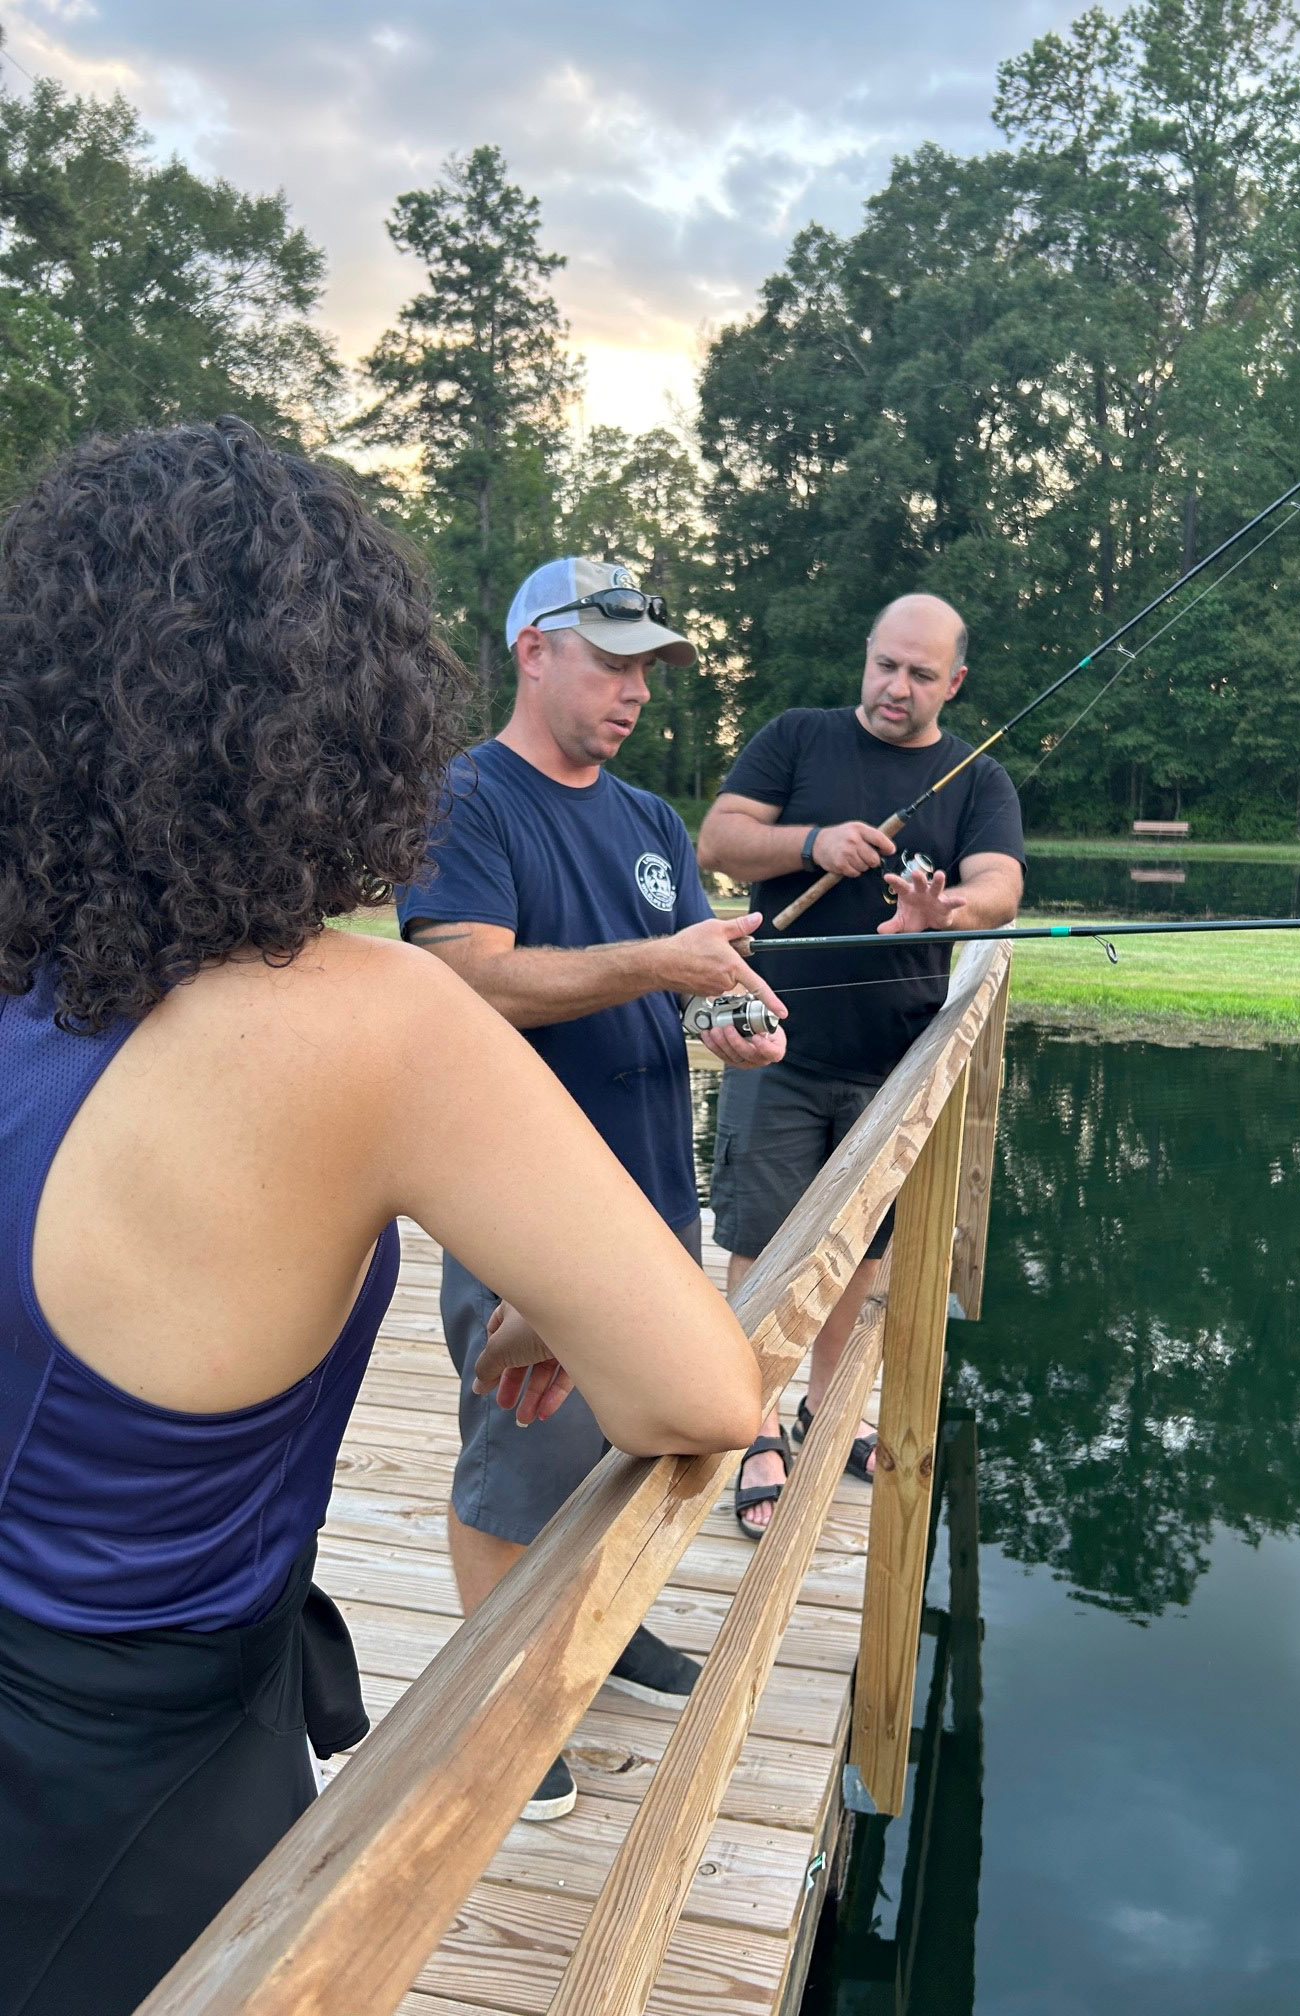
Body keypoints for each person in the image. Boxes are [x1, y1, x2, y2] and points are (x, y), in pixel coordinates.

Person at [0, 420, 763, 2016]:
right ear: (340, 711)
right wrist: (578, 1287)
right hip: (143, 1786)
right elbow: (700, 1392)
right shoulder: (375, 1021)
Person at [395, 555, 786, 1818]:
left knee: (633, 1442)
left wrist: (728, 1014)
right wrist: (658, 966)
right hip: (526, 1209)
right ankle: (499, 1706)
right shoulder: (466, 801)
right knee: (514, 1463)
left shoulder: (655, 822)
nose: (633, 693)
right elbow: (469, 981)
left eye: (646, 671)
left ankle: (602, 1634)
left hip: (658, 1192)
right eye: (610, 662)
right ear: (533, 653)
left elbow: (676, 975)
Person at [697, 593, 1025, 1535]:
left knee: (865, 1254)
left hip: (897, 1061)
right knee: (760, 1239)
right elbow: (721, 837)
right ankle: (753, 1426)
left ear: (952, 683)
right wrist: (813, 844)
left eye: (923, 674)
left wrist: (944, 912)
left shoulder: (976, 777)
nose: (898, 686)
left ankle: (826, 1414)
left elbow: (1000, 884)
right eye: (887, 665)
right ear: (867, 658)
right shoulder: (798, 739)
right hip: (776, 1047)